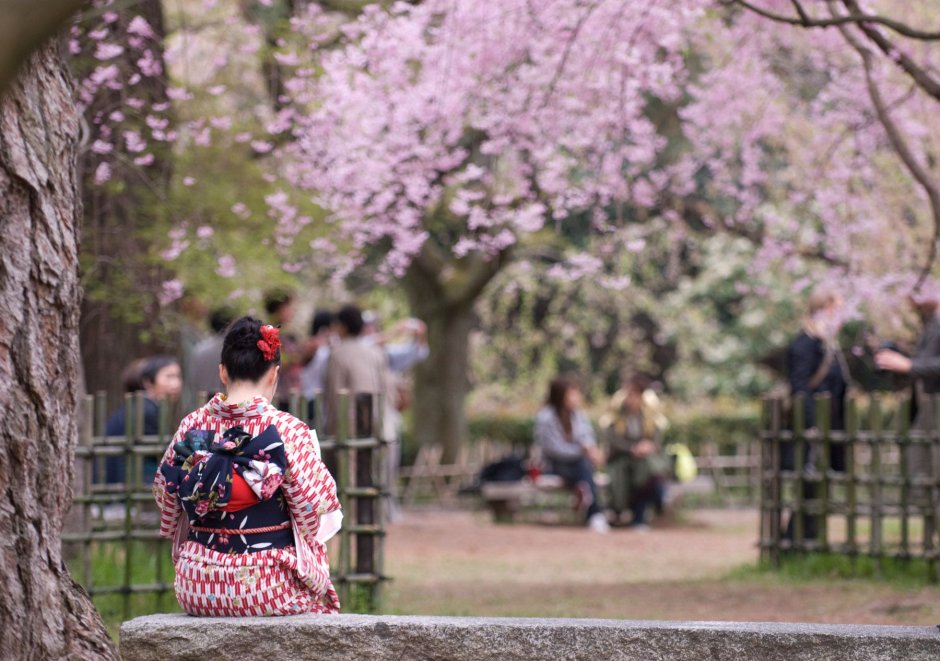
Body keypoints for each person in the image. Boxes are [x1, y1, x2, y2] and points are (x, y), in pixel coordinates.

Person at [153, 316, 343, 616]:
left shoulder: (192, 424)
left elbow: (166, 497)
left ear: (223, 371)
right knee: (321, 604)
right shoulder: (285, 429)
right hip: (266, 586)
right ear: (274, 375)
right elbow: (315, 513)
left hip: (198, 585)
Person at [784, 288, 849, 541]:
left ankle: (804, 538)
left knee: (817, 487)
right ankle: (797, 539)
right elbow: (800, 387)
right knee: (809, 486)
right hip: (813, 426)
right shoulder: (806, 344)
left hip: (829, 423)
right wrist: (811, 424)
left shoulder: (826, 345)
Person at [876, 290, 940, 506]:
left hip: (935, 405)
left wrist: (910, 365)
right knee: (919, 465)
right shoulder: (931, 322)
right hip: (927, 405)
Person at [534, 376, 608, 533]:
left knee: (583, 467)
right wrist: (581, 451)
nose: (577, 397)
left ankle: (585, 494)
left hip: (577, 465)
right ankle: (595, 513)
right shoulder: (546, 418)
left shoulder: (578, 416)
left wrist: (591, 449)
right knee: (583, 467)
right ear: (561, 395)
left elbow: (587, 436)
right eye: (572, 394)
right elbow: (553, 449)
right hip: (554, 465)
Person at [599, 373, 670, 529]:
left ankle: (640, 516)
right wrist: (631, 448)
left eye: (634, 394)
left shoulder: (650, 413)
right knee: (624, 478)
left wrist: (648, 446)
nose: (631, 398)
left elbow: (657, 439)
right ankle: (619, 514)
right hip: (620, 459)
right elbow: (611, 438)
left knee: (648, 476)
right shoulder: (616, 412)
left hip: (643, 461)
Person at [104, 355, 182, 484]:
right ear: (148, 382)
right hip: (125, 487)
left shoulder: (140, 406)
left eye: (178, 377)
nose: (176, 384)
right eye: (169, 377)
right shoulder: (147, 411)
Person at [324, 304, 392, 439]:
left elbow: (334, 393)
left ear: (343, 326)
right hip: (376, 420)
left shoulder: (337, 354)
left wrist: (332, 427)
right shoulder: (375, 352)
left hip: (348, 424)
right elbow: (387, 388)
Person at [184, 306, 235, 405]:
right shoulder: (236, 348)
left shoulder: (199, 349)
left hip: (203, 401)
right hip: (230, 402)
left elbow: (192, 380)